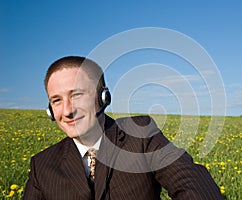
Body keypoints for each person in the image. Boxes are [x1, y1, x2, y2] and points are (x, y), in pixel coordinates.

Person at [23, 56, 223, 200]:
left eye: (77, 95)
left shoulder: (141, 135)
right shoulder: (42, 165)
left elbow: (192, 183)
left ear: (104, 97)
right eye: (56, 100)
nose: (67, 111)